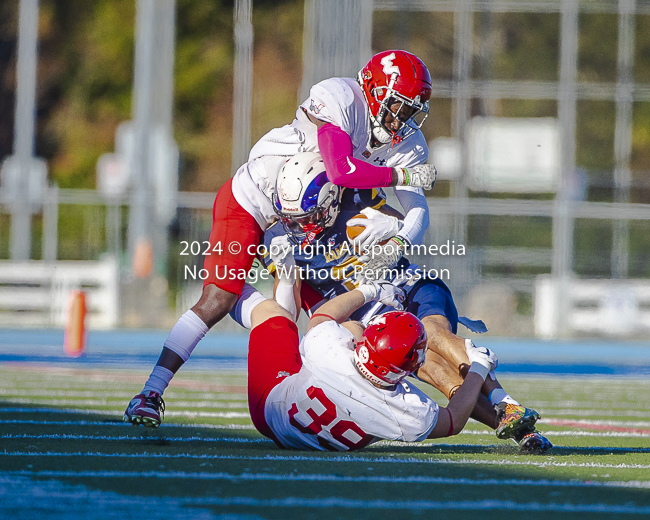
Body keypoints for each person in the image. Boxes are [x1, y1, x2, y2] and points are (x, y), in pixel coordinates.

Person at [123, 50, 437, 428]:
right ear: (371, 90)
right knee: (218, 297)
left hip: (312, 212)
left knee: (296, 312)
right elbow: (341, 171)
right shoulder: (341, 99)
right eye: (396, 107)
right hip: (257, 200)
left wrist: (398, 239)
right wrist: (400, 178)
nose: (401, 119)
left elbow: (415, 211)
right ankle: (151, 391)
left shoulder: (406, 141)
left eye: (409, 111)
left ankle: (309, 380)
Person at [243, 151, 552, 453]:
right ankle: (520, 431)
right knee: (441, 375)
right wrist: (286, 274)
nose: (298, 227)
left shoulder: (355, 199)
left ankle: (504, 401)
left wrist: (393, 228)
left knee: (432, 334)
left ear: (329, 199)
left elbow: (410, 225)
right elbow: (290, 302)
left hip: (407, 288)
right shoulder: (280, 239)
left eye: (306, 217)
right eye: (291, 218)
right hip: (371, 319)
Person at [244, 274, 498, 451]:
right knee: (349, 329)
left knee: (270, 311)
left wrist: (369, 291)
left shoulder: (330, 350)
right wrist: (478, 368)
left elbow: (322, 317)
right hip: (326, 429)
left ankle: (227, 288)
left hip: (271, 412)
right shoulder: (406, 409)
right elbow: (454, 419)